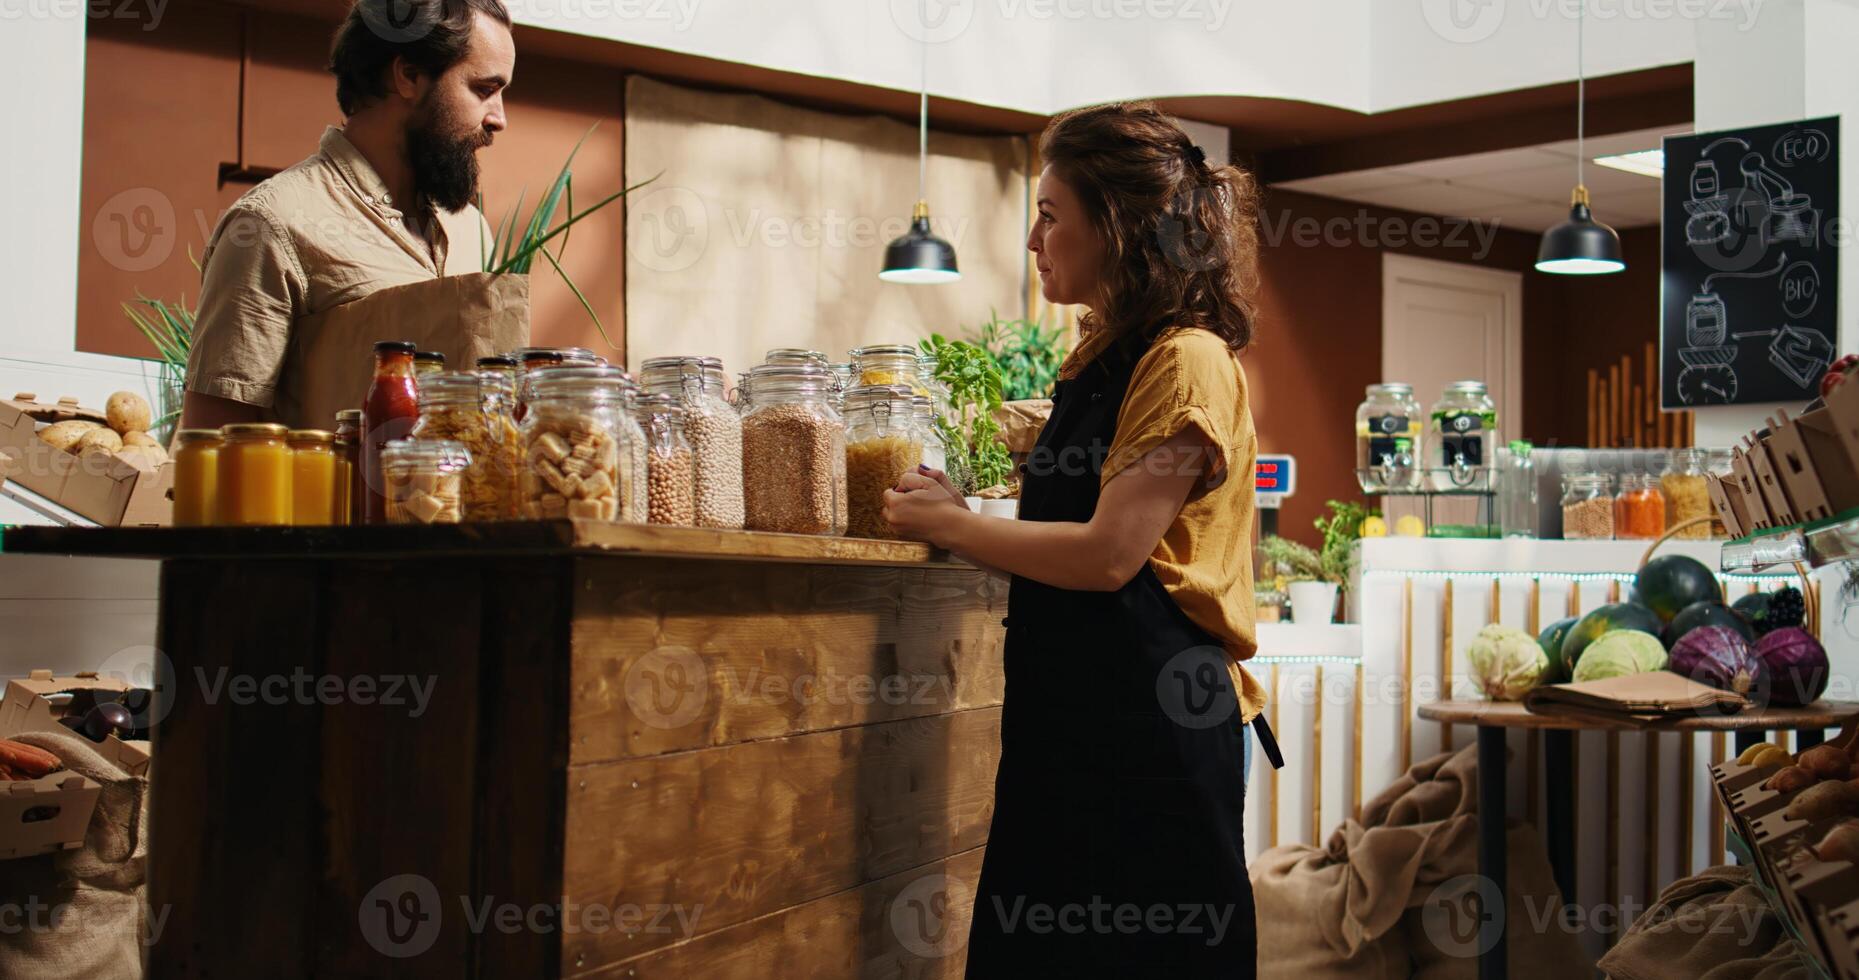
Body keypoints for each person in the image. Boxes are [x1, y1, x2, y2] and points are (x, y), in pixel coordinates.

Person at [882, 101, 1280, 977]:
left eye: (1051, 215)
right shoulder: (1105, 356)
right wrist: (971, 517)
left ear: (1118, 225)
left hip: (1154, 740)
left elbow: (1108, 554)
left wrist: (954, 526)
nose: (1033, 239)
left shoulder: (1186, 360)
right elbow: (1072, 535)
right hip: (1073, 727)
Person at [182, 0, 514, 429]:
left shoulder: (471, 230)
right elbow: (214, 444)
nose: (500, 118)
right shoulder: (273, 224)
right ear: (409, 75)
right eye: (484, 90)